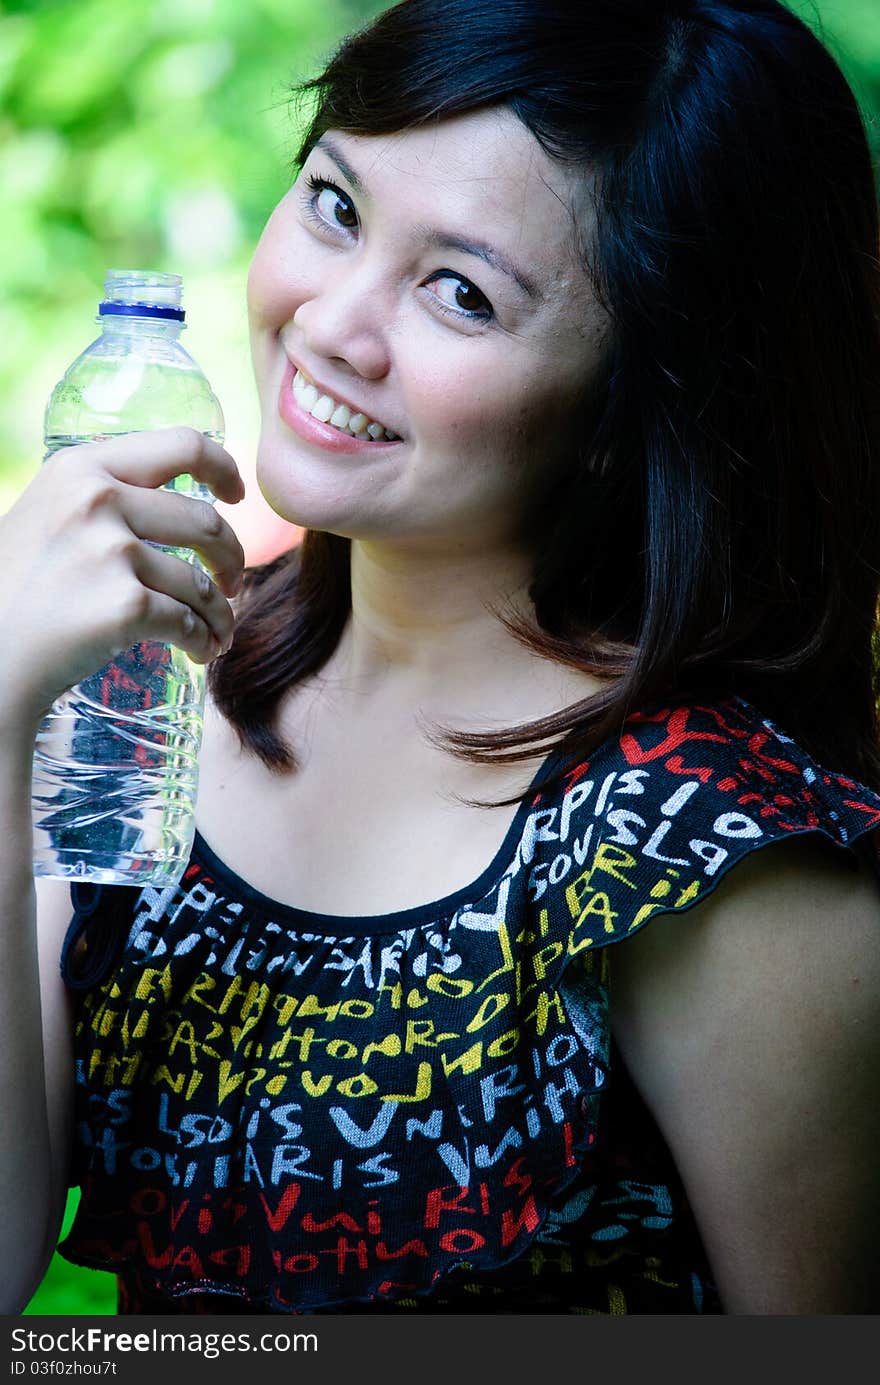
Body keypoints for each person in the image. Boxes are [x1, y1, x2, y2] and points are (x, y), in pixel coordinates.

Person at [1, 0, 879, 1317]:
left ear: (625, 404)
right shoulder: (162, 673)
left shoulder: (712, 845)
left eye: (459, 293)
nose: (334, 323)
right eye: (338, 206)